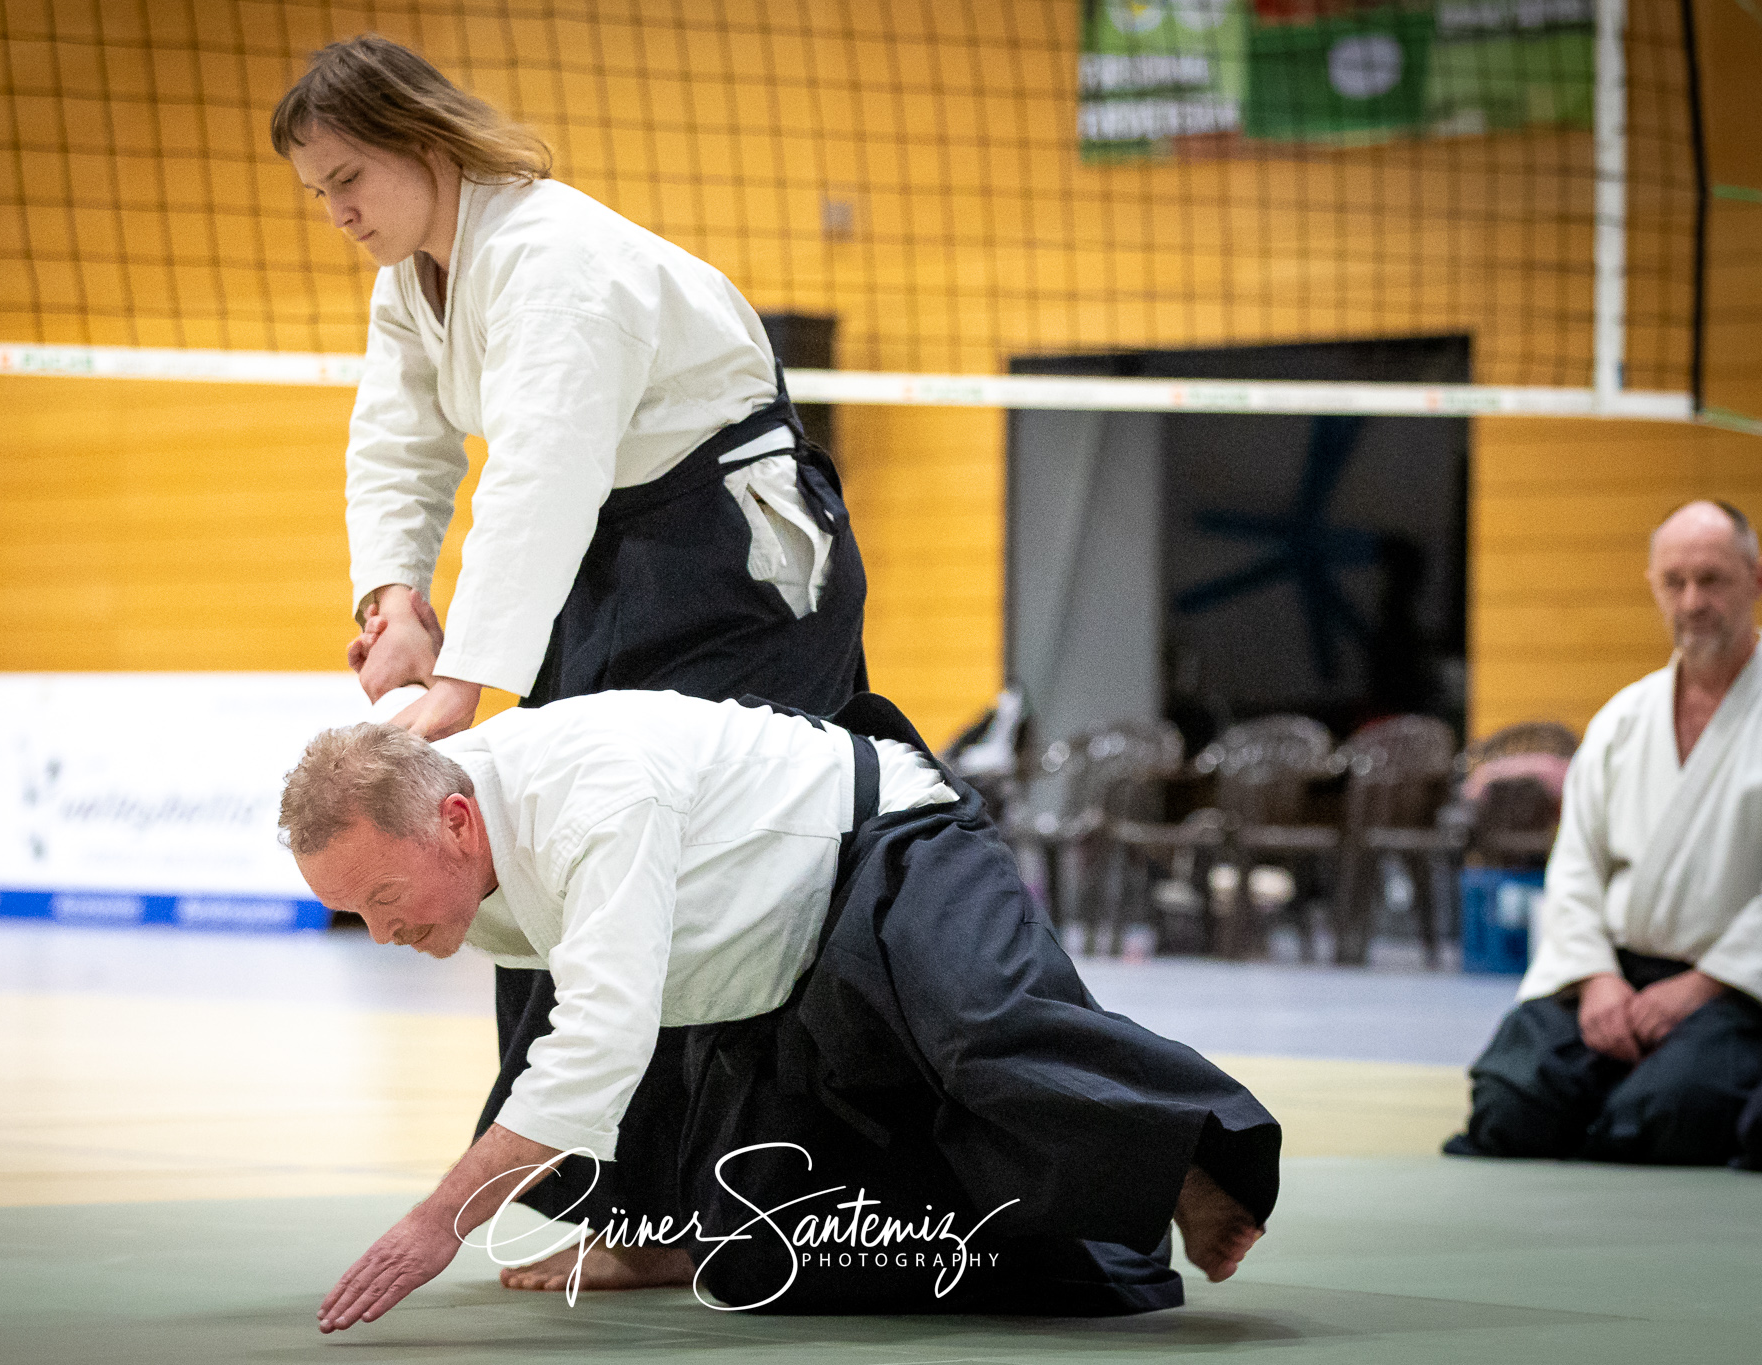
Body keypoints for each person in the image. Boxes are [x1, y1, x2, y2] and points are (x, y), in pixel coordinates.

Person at [271, 34, 871, 1230]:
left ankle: (720, 1202)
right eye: (316, 191)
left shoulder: (554, 259)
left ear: (421, 141)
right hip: (614, 559)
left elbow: (539, 475)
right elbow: (398, 439)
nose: (335, 210)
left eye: (348, 177)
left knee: (698, 870)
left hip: (732, 561)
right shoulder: (417, 276)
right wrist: (391, 595)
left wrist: (462, 683)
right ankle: (604, 1204)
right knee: (540, 847)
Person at [279, 691, 1282, 1330]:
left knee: (979, 1036)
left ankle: (1191, 1154)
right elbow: (615, 1019)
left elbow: (599, 1036)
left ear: (453, 823)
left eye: (379, 900)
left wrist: (439, 1221)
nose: (379, 933)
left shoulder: (591, 794)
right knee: (774, 1262)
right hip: (770, 957)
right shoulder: (455, 839)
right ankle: (1093, 1217)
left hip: (886, 841)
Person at [1446, 500, 1762, 1165]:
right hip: (1616, 975)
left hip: (1736, 990)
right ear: (1653, 586)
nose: (1693, 598)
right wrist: (1594, 979)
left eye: (1712, 579)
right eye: (1674, 581)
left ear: (1755, 579)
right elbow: (1574, 868)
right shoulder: (1625, 719)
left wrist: (1703, 984)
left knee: (1667, 1118)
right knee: (1509, 1102)